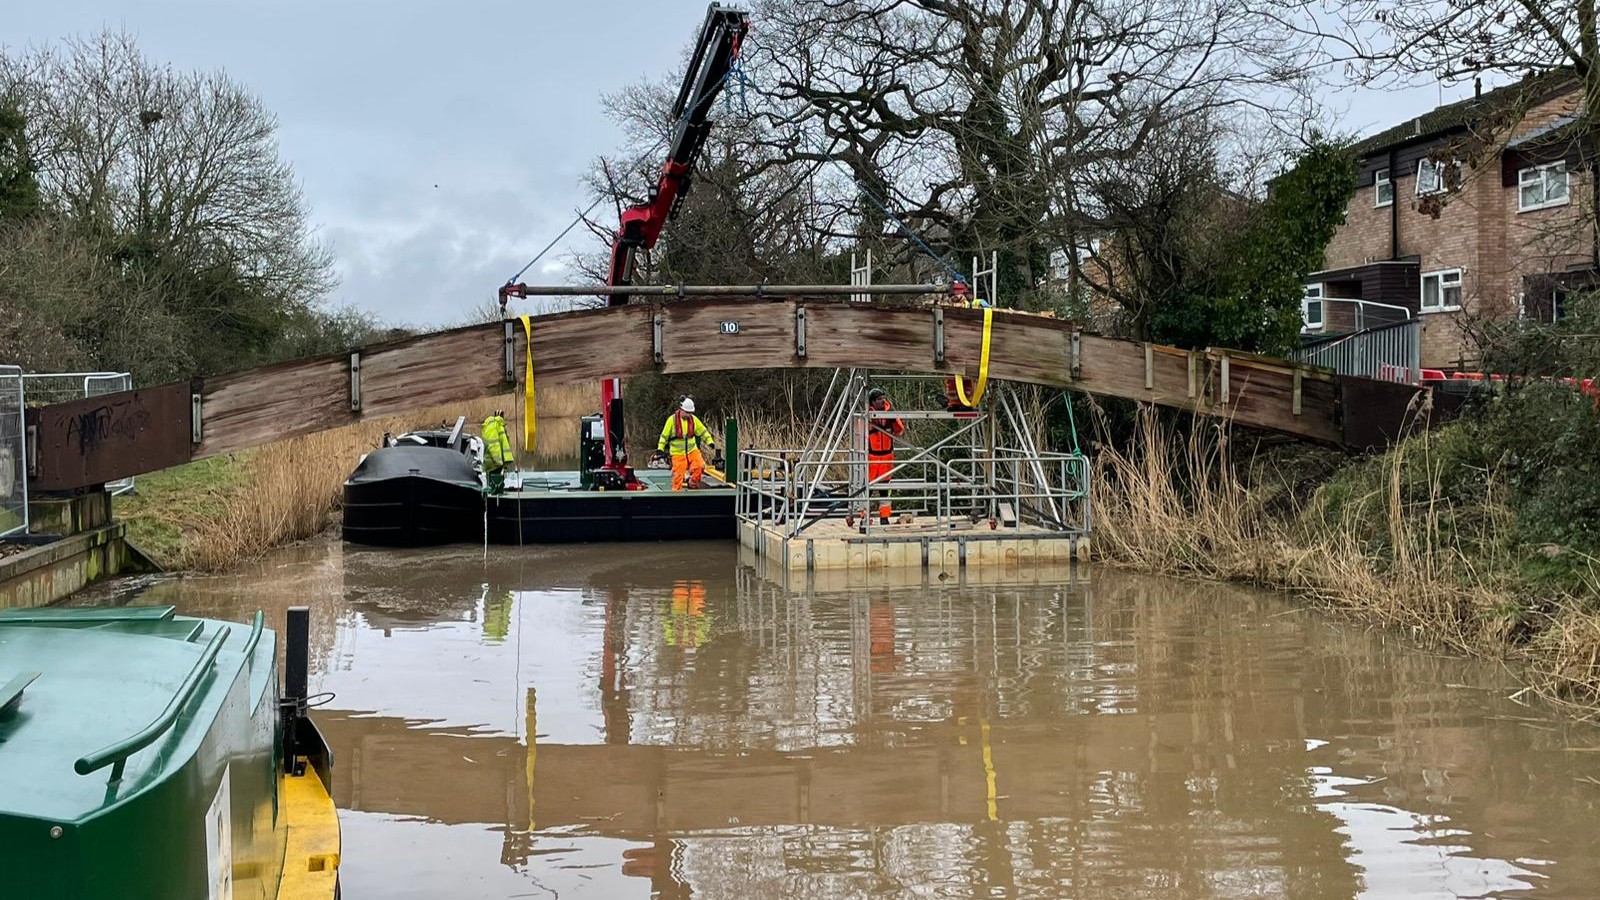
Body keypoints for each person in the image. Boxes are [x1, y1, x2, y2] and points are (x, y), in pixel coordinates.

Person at [654, 397, 715, 491]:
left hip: (692, 450)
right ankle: (676, 494)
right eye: (686, 412)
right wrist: (660, 449)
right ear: (681, 409)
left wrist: (709, 441)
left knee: (700, 466)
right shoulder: (672, 420)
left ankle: (693, 483)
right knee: (678, 476)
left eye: (690, 413)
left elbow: (703, 431)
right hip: (678, 453)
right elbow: (664, 436)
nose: (688, 415)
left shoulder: (694, 420)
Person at [866, 388, 905, 523]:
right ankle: (865, 517)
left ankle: (884, 517)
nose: (882, 401)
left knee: (885, 489)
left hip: (887, 456)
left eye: (883, 398)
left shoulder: (890, 414)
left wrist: (893, 420)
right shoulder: (867, 415)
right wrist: (870, 426)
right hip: (871, 457)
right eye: (878, 399)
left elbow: (899, 430)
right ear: (872, 402)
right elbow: (858, 432)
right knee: (867, 489)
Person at [481, 410, 514, 494]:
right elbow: (498, 446)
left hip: (489, 461)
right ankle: (495, 492)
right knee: (495, 482)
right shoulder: (496, 426)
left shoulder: (491, 426)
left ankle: (493, 490)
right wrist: (502, 461)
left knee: (492, 482)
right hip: (495, 461)